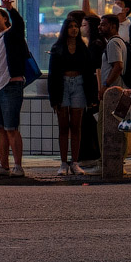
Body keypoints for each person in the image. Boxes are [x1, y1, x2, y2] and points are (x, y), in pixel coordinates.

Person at [0, 0, 32, 179]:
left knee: (11, 127)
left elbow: (19, 24)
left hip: (10, 85)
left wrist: (11, 8)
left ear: (5, 19)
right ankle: (3, 165)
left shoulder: (12, 34)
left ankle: (17, 166)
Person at [47, 11, 96, 178]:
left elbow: (89, 73)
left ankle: (74, 162)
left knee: (76, 126)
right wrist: (53, 98)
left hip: (79, 85)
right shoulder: (57, 48)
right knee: (63, 126)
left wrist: (91, 97)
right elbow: (52, 75)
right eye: (71, 27)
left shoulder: (83, 48)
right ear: (65, 29)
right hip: (63, 86)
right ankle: (63, 162)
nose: (74, 29)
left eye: (76, 26)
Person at [96, 12, 131, 179]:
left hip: (114, 93)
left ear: (112, 26)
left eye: (103, 24)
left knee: (105, 126)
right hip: (120, 90)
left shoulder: (113, 44)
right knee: (119, 126)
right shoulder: (119, 42)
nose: (100, 27)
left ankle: (109, 162)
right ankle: (117, 162)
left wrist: (105, 85)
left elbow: (118, 66)